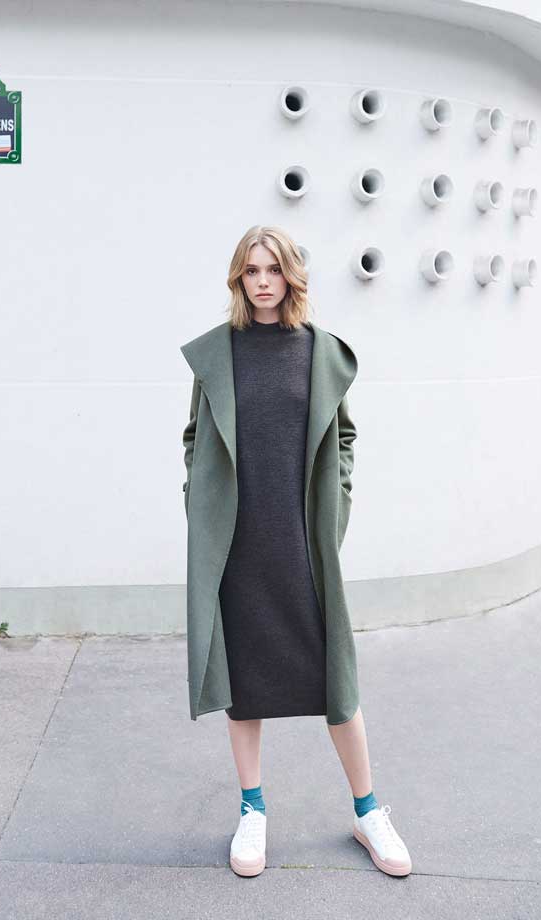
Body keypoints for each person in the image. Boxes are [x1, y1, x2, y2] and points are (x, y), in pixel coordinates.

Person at [180, 225, 411, 878]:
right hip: (238, 547)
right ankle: (252, 810)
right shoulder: (219, 354)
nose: (262, 281)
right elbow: (195, 438)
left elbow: (345, 438)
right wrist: (199, 505)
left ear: (291, 277)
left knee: (337, 683)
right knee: (245, 688)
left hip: (303, 544)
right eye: (251, 271)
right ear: (239, 278)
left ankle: (368, 812)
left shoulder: (319, 352)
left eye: (273, 269)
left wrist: (336, 510)